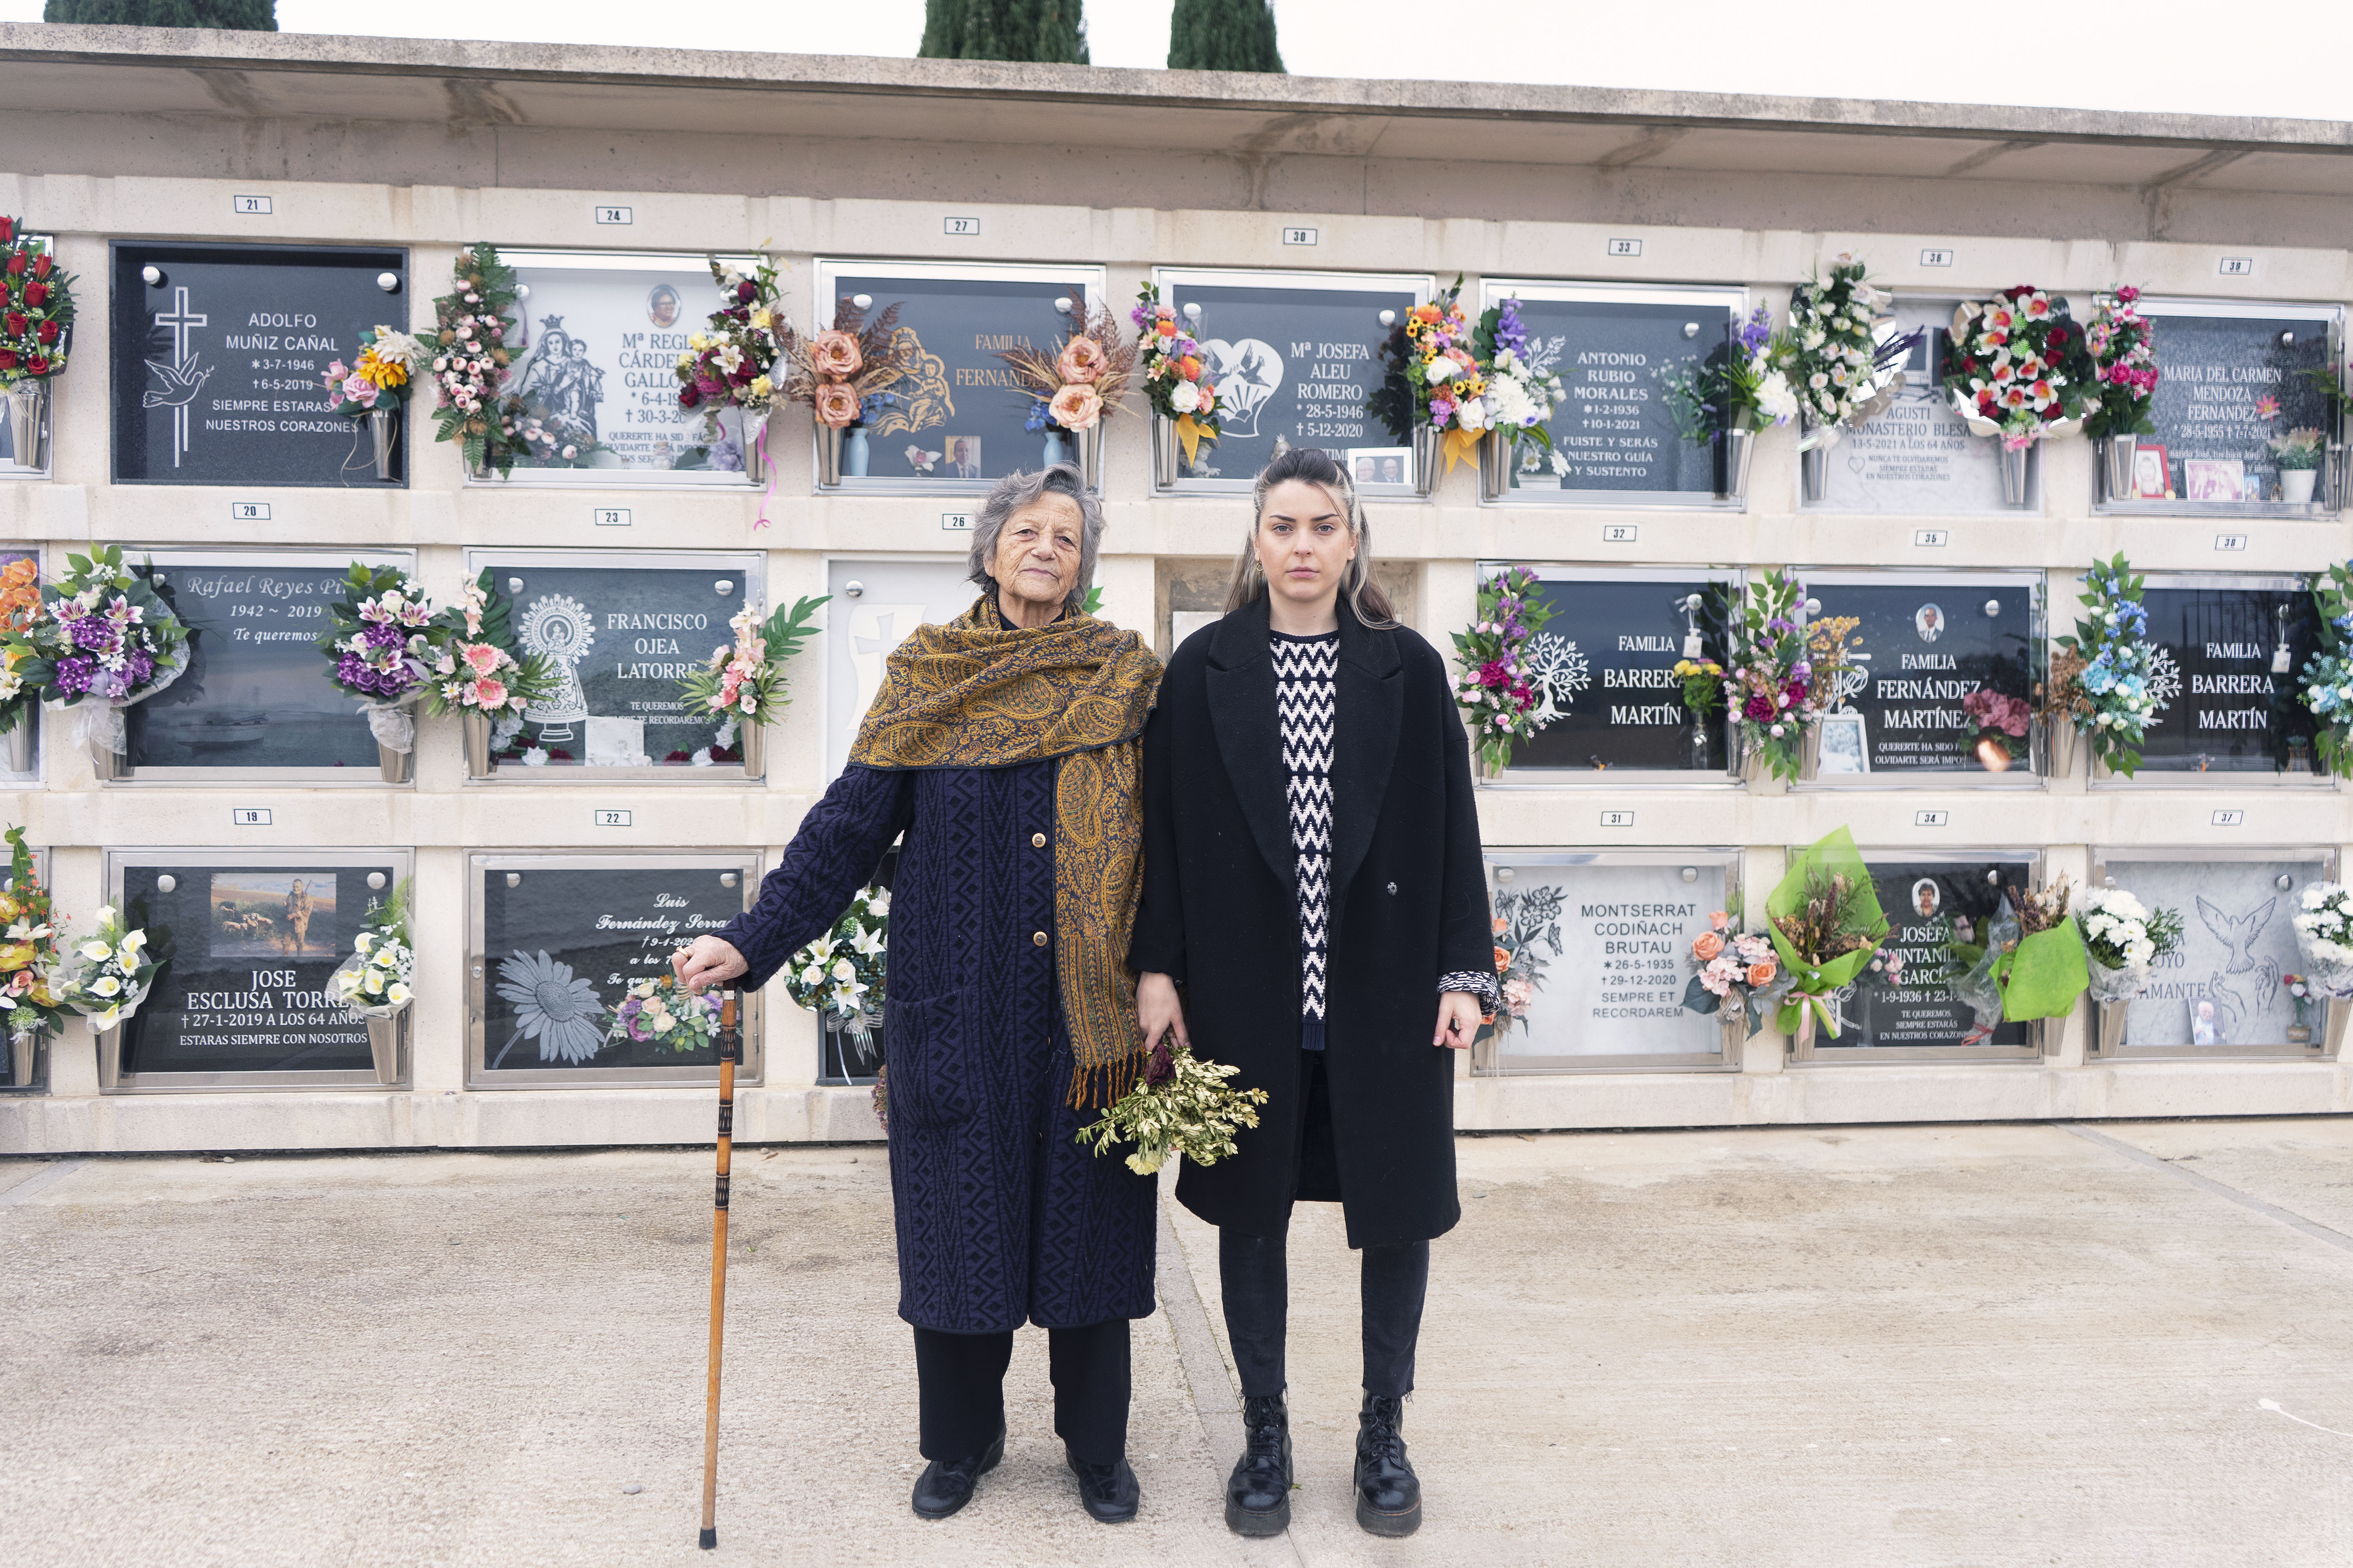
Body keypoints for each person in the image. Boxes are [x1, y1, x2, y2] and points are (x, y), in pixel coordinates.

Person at [671, 464, 1163, 1526]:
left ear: (1086, 566)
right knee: (958, 1234)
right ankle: (961, 1441)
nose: (1045, 548)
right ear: (989, 549)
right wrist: (750, 941)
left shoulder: (1125, 680)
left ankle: (1095, 1447)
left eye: (1067, 538)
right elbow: (847, 833)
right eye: (1026, 530)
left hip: (1094, 1018)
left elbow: (1168, 848)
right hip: (961, 1010)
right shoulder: (928, 678)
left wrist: (1168, 974)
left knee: (1091, 1238)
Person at [1128, 445, 1495, 1541]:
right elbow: (1166, 835)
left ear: (1350, 541)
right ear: (1255, 540)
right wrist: (1159, 969)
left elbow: (1452, 827)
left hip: (1382, 989)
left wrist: (1462, 973)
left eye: (1321, 526)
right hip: (1247, 992)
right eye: (1282, 525)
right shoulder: (1201, 670)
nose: (1300, 545)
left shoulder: (1405, 666)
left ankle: (1383, 1427)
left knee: (1398, 1213)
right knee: (1249, 1213)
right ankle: (1266, 1431)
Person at [282, 878, 313, 956]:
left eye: (298, 887)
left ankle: (300, 961)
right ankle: (285, 960)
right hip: (288, 923)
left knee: (300, 943)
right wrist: (286, 904)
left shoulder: (307, 898)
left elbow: (307, 912)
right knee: (286, 943)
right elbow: (289, 906)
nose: (296, 889)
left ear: (302, 887)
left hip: (300, 924)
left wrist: (293, 915)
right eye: (294, 887)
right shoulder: (291, 895)